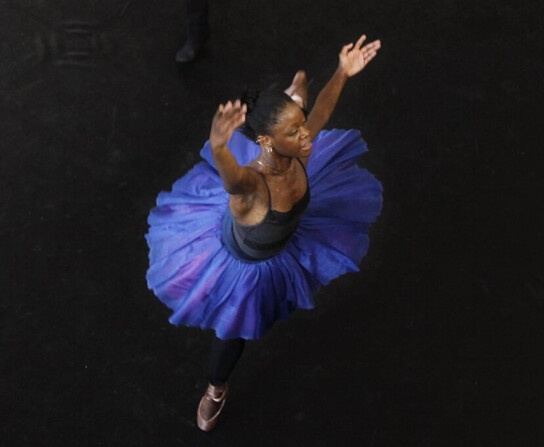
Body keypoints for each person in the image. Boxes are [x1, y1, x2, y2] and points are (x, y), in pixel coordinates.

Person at [146, 35, 382, 431]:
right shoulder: (252, 188)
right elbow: (233, 178)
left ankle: (297, 87)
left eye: (300, 125)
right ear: (266, 141)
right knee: (235, 331)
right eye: (294, 131)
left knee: (307, 99)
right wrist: (220, 148)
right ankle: (216, 388)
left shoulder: (300, 148)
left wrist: (342, 71)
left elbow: (321, 113)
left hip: (281, 236)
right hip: (245, 261)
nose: (307, 136)